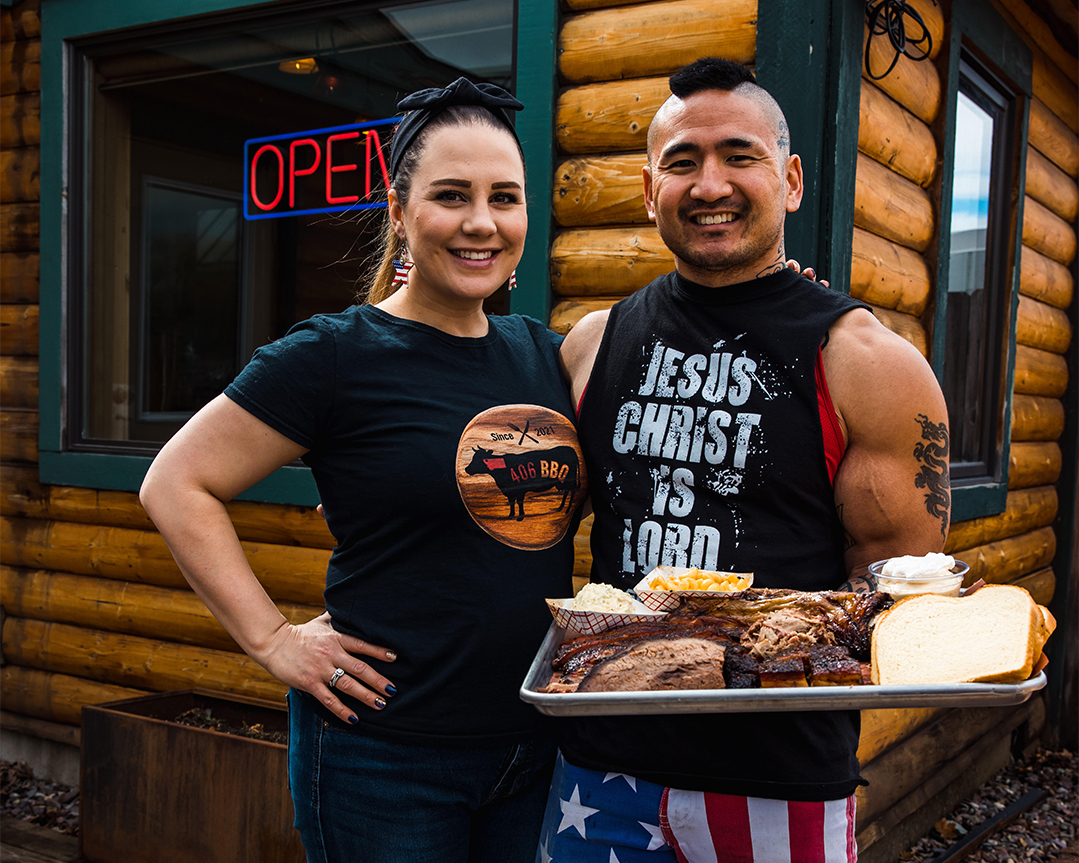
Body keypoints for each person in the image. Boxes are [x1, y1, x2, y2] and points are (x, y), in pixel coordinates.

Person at [140, 78, 586, 863]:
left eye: (503, 197)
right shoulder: (335, 355)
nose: (481, 222)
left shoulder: (546, 354)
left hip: (535, 744)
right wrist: (272, 638)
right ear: (399, 211)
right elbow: (177, 482)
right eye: (451, 195)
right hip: (385, 755)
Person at [538, 57, 951, 862]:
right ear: (649, 189)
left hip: (777, 779)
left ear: (790, 179)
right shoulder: (591, 346)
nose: (710, 183)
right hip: (601, 772)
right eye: (682, 162)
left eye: (740, 155)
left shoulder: (867, 364)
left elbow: (900, 597)